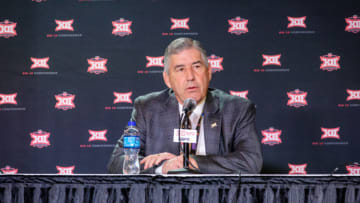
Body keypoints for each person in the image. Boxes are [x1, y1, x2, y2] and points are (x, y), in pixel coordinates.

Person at [108, 37, 263, 174]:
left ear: (208, 72)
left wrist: (191, 162)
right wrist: (163, 167)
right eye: (180, 69)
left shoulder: (237, 109)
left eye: (196, 67)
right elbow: (118, 162)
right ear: (167, 79)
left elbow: (250, 162)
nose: (190, 77)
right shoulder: (147, 108)